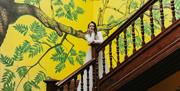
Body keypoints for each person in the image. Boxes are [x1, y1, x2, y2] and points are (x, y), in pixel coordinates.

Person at [77, 21, 108, 91]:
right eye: (90, 26)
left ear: (95, 27)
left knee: (100, 66)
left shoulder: (99, 33)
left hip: (99, 52)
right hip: (91, 52)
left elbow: (101, 41)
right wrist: (92, 35)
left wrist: (95, 41)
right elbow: (90, 41)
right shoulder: (87, 35)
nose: (92, 27)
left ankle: (101, 83)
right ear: (88, 28)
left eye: (93, 26)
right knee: (90, 67)